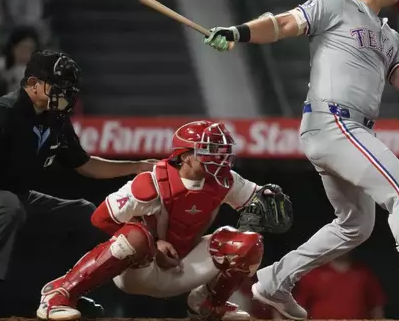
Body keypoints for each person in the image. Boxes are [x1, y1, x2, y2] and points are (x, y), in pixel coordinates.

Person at [203, 0, 399, 321]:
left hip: (347, 129)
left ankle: (274, 280)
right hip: (332, 121)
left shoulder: (390, 36)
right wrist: (239, 32)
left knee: (355, 226)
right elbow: (284, 24)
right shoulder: (335, 4)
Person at [36, 120, 294, 321]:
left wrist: (266, 199)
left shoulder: (225, 179)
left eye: (221, 151)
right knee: (136, 235)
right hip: (140, 270)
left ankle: (208, 304)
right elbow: (100, 218)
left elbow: (257, 198)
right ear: (184, 156)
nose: (220, 158)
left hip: (185, 266)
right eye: (210, 151)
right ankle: (60, 292)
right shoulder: (151, 183)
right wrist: (154, 243)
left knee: (247, 243)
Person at [0, 50, 154, 319]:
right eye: (58, 87)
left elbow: (85, 165)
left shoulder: (55, 118)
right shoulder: (1, 112)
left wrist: (137, 166)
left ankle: (64, 292)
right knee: (9, 206)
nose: (65, 94)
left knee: (85, 213)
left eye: (69, 89)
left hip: (21, 195)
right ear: (33, 84)